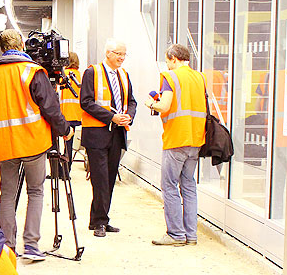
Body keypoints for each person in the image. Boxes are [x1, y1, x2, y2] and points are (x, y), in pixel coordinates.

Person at [0, 29, 73, 261]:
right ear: (21, 46)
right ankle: (31, 245)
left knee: (7, 195)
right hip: (32, 142)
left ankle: (7, 247)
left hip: (4, 145)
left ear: (2, 49)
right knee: (35, 191)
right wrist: (65, 130)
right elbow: (50, 108)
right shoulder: (31, 71)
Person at [143, 43, 209, 246]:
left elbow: (164, 106)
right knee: (188, 185)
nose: (167, 65)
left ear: (173, 58)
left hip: (176, 139)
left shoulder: (170, 77)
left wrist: (150, 103)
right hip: (196, 139)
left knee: (169, 185)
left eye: (168, 61)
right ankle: (191, 235)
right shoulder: (200, 77)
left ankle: (175, 234)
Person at [79, 38, 137, 238]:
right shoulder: (92, 72)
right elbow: (85, 102)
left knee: (110, 178)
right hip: (97, 134)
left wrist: (129, 114)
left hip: (117, 134)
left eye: (124, 54)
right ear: (108, 53)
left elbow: (131, 101)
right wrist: (111, 117)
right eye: (118, 53)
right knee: (100, 178)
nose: (122, 58)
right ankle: (100, 222)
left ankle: (98, 219)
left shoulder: (124, 75)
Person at [59, 53, 82, 173]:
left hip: (64, 114)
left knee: (58, 144)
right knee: (69, 144)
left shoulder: (64, 75)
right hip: (75, 114)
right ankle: (67, 170)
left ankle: (59, 170)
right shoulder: (79, 75)